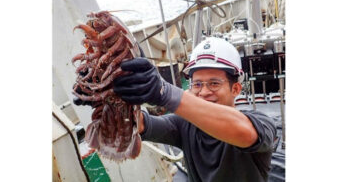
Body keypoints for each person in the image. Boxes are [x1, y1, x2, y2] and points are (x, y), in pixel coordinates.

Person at [113, 37, 276, 182]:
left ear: (236, 89)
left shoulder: (262, 122)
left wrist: (165, 92)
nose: (204, 92)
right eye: (197, 84)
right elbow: (139, 124)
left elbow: (245, 133)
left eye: (214, 83)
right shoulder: (183, 125)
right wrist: (108, 94)